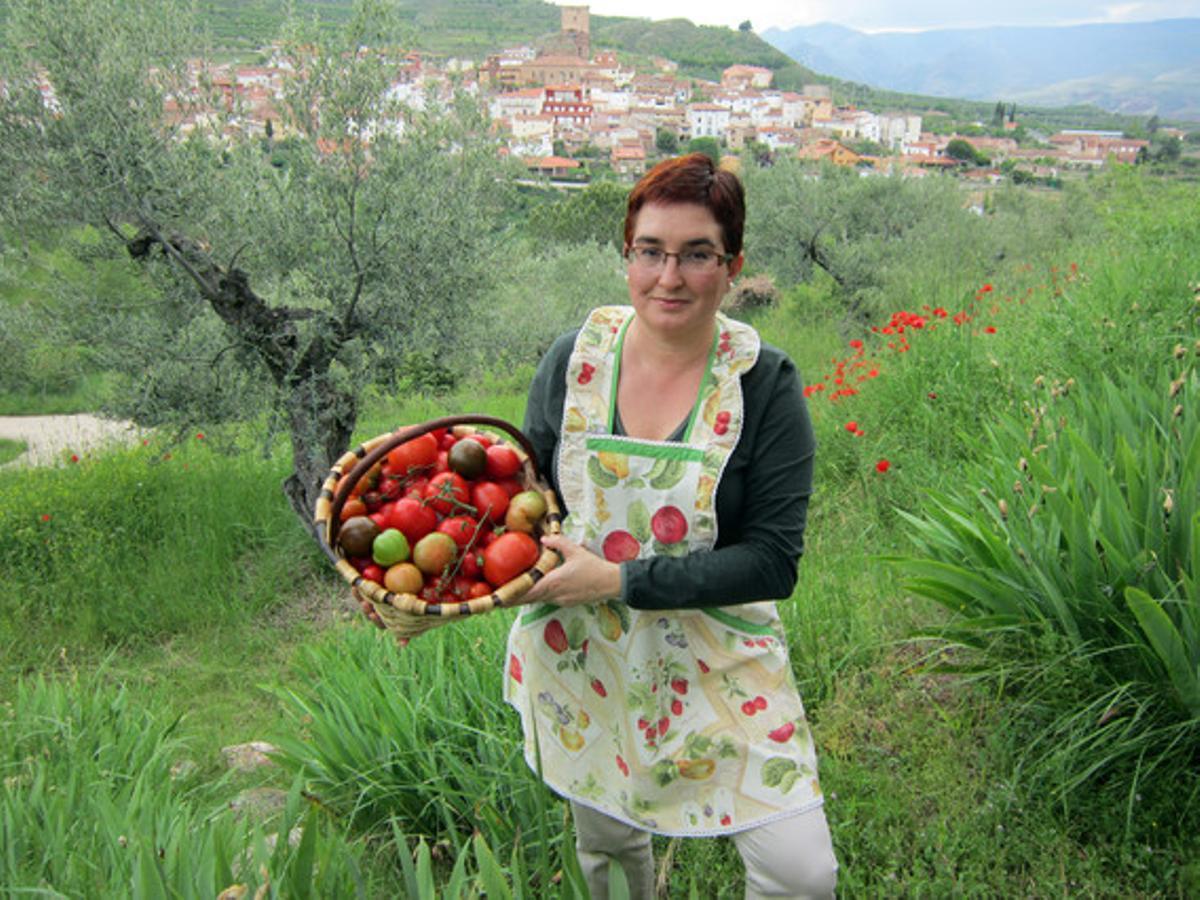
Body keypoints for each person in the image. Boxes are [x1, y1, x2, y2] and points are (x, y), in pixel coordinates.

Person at [505, 153, 838, 899]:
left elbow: (773, 561)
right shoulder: (574, 363)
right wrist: (448, 581)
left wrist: (618, 578)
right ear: (627, 256)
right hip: (585, 650)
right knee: (607, 844)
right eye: (650, 251)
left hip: (722, 655)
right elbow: (526, 504)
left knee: (801, 872)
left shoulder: (764, 384)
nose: (669, 276)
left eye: (697, 254)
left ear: (733, 266)